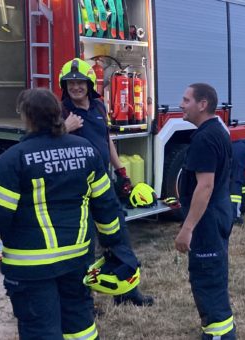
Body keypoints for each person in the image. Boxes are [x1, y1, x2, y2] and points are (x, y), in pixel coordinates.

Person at [0, 88, 132, 339]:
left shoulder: (14, 159)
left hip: (31, 267)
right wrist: (114, 244)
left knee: (41, 331)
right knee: (81, 327)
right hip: (77, 259)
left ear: (26, 116)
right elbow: (106, 206)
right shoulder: (86, 150)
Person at [58, 58, 153, 306]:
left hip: (104, 184)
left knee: (119, 237)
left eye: (80, 82)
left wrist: (122, 172)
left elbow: (107, 140)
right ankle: (83, 303)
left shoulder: (99, 107)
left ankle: (127, 292)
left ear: (90, 84)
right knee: (84, 245)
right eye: (70, 83)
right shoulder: (61, 112)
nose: (76, 87)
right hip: (77, 189)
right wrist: (63, 129)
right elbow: (42, 142)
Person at [174, 83, 235, 339]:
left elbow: (205, 186)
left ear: (203, 104)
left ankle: (219, 334)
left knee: (207, 277)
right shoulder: (217, 131)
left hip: (208, 219)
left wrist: (187, 229)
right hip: (219, 212)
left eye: (186, 100)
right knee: (214, 273)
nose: (181, 104)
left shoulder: (205, 138)